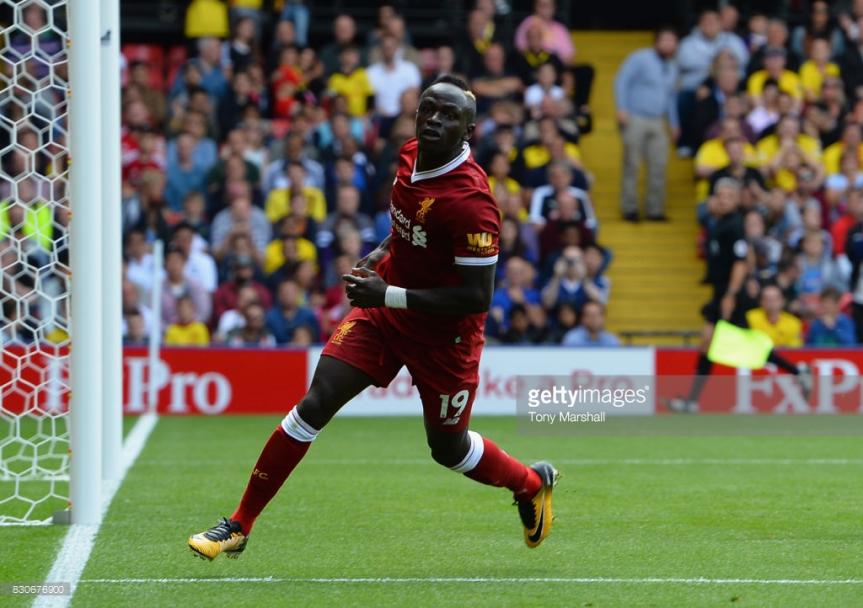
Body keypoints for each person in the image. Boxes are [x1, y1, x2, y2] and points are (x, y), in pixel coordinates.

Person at [188, 76, 559, 560]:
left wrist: (389, 293)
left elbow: (475, 297)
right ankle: (239, 524)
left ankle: (530, 484)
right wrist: (382, 252)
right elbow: (406, 226)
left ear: (468, 129)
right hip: (385, 313)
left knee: (447, 449)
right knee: (315, 402)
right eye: (428, 109)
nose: (434, 120)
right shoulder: (409, 155)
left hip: (444, 339)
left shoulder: (472, 204)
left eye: (448, 115)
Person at [667, 179, 810, 413]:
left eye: (728, 196)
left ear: (736, 199)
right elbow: (749, 255)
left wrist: (731, 294)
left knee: (728, 344)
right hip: (721, 291)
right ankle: (797, 372)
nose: (723, 200)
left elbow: (741, 262)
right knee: (711, 343)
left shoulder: (734, 225)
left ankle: (692, 401)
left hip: (728, 293)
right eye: (719, 196)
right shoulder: (719, 223)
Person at [614, 27, 680, 222]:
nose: (668, 44)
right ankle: (630, 208)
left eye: (672, 41)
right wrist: (621, 107)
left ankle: (655, 209)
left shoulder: (673, 66)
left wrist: (674, 123)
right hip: (636, 116)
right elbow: (621, 80)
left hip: (659, 120)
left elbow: (671, 97)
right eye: (664, 40)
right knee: (632, 164)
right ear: (656, 41)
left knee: (659, 166)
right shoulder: (640, 58)